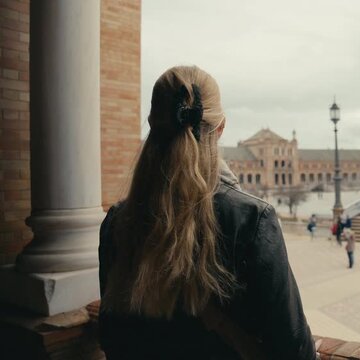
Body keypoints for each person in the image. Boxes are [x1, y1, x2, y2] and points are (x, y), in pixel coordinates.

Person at [98, 66, 317, 359]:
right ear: (221, 128)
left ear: (152, 124)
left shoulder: (118, 221)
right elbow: (293, 350)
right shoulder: (251, 221)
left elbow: (112, 334)